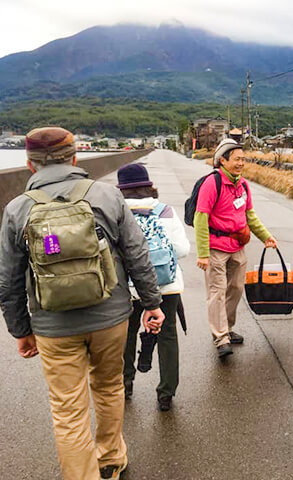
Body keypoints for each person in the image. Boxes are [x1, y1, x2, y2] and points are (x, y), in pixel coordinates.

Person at [0, 127, 164, 480]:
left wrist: (21, 330)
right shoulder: (106, 195)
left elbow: (9, 279)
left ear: (30, 165)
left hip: (52, 326)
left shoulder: (16, 209)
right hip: (111, 317)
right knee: (108, 386)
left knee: (68, 411)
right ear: (74, 159)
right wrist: (152, 302)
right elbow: (136, 254)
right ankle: (111, 458)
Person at [194, 138, 277, 358]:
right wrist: (202, 253)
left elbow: (249, 215)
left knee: (236, 289)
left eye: (243, 159)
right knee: (217, 292)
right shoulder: (212, 183)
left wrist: (265, 236)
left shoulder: (243, 184)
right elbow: (201, 218)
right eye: (237, 159)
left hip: (238, 245)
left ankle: (228, 328)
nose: (241, 163)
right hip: (216, 247)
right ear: (222, 160)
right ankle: (220, 337)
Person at [117, 163, 190, 412]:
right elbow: (183, 249)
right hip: (166, 286)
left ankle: (125, 384)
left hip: (128, 287)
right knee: (167, 334)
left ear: (121, 189)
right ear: (148, 186)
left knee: (126, 334)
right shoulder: (165, 210)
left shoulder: (116, 212)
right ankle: (166, 393)